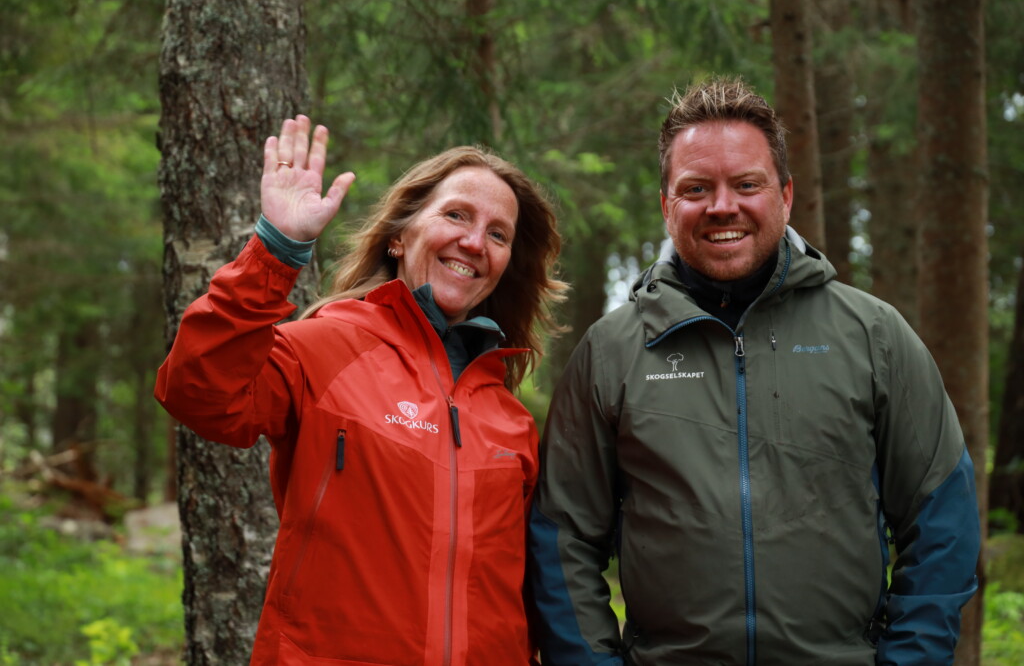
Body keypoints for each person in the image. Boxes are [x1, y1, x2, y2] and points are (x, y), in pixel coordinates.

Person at [527, 78, 980, 665]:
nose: (723, 206)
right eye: (696, 188)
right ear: (666, 205)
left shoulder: (874, 336)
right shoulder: (611, 352)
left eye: (746, 184)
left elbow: (941, 515)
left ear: (785, 196)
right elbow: (562, 539)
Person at [156, 115, 566, 665]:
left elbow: (527, 596)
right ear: (399, 237)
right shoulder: (326, 349)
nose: (474, 242)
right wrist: (275, 251)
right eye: (455, 215)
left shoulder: (509, 420)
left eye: (498, 234)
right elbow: (198, 394)